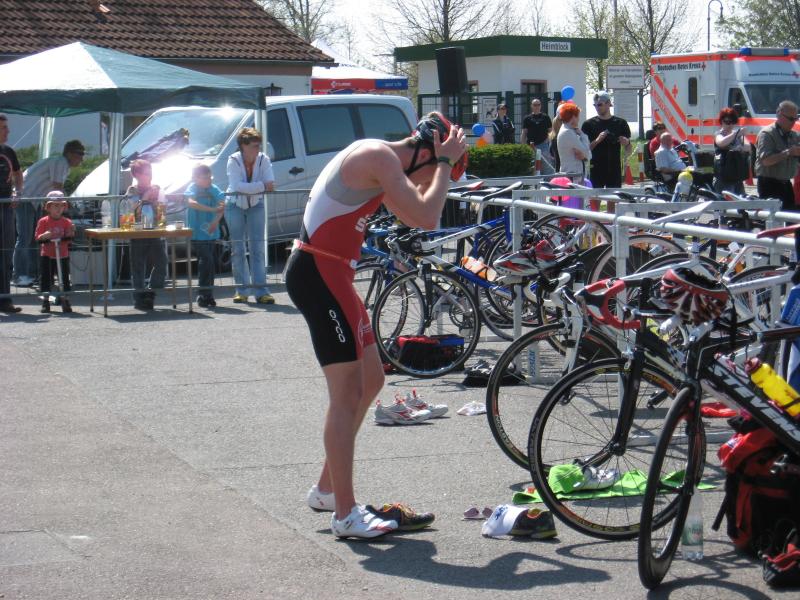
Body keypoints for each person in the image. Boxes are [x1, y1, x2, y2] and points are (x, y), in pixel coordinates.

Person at [284, 112, 467, 539]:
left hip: (333, 274)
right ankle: (345, 514)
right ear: (426, 154)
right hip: (319, 273)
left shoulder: (385, 167)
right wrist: (446, 163)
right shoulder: (377, 157)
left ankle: (328, 489)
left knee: (371, 380)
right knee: (346, 393)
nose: (430, 182)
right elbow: (427, 217)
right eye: (432, 172)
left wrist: (440, 165)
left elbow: (415, 213)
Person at [13, 139, 84, 287]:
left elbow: (56, 191)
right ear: (69, 153)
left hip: (34, 200)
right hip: (27, 198)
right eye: (80, 154)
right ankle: (19, 275)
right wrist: (69, 205)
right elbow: (57, 187)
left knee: (34, 238)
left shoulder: (62, 164)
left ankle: (32, 274)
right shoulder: (61, 162)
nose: (82, 158)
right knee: (25, 237)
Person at [225, 127, 275, 304]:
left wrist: (255, 187)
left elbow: (271, 184)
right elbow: (237, 186)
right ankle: (242, 290)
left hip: (256, 205)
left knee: (257, 248)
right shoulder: (233, 160)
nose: (258, 148)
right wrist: (261, 186)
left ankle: (262, 292)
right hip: (234, 205)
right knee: (237, 249)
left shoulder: (264, 159)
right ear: (243, 146)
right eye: (254, 145)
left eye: (258, 145)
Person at [126, 159, 168, 310]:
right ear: (136, 175)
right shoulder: (132, 190)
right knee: (138, 266)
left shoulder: (156, 188)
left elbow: (162, 208)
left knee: (162, 262)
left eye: (150, 173)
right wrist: (146, 196)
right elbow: (133, 209)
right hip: (138, 232)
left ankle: (150, 293)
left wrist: (157, 200)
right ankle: (139, 298)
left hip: (154, 230)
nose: (149, 176)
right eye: (146, 173)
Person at [185, 164, 225, 308]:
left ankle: (208, 294)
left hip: (210, 232)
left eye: (209, 177)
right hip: (196, 233)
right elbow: (191, 202)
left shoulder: (214, 188)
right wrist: (211, 209)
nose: (209, 180)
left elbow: (222, 205)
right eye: (205, 178)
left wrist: (215, 221)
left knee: (210, 263)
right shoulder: (192, 188)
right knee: (206, 260)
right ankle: (203, 293)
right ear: (195, 178)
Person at [582, 91, 632, 192]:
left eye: (600, 104)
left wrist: (627, 143)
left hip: (614, 168)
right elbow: (584, 149)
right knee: (595, 197)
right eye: (595, 105)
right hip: (596, 168)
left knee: (613, 198)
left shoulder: (620, 123)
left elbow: (629, 150)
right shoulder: (588, 124)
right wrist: (597, 140)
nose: (597, 107)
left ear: (609, 103)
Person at [755, 100, 800, 211]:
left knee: (790, 217)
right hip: (769, 184)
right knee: (772, 218)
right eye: (791, 119)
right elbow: (766, 160)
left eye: (796, 119)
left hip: (786, 184)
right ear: (779, 114)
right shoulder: (767, 134)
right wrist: (788, 152)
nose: (793, 122)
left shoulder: (793, 136)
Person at [34, 191, 75, 314]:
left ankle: (65, 300)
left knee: (64, 278)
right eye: (55, 205)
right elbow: (37, 238)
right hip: (47, 254)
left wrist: (71, 233)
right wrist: (44, 236)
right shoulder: (43, 221)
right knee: (46, 279)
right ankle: (45, 301)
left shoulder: (66, 222)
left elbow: (69, 237)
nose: (59, 208)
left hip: (62, 254)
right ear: (48, 207)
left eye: (61, 205)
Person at [0, 113, 23, 313]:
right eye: (3, 127)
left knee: (6, 253)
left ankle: (5, 300)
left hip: (6, 208)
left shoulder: (8, 151)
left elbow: (17, 173)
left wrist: (17, 192)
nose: (8, 131)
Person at [714, 107, 751, 196]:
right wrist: (736, 134)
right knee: (725, 200)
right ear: (722, 121)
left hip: (737, 174)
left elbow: (748, 147)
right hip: (724, 175)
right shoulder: (719, 134)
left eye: (733, 122)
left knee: (740, 199)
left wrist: (740, 148)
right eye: (727, 122)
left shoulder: (738, 135)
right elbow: (721, 143)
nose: (730, 125)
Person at [555, 103, 591, 181]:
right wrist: (582, 135)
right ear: (573, 117)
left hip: (573, 176)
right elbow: (586, 151)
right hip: (572, 177)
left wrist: (585, 156)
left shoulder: (568, 130)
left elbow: (586, 154)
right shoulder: (568, 132)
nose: (578, 119)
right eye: (578, 116)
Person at [520, 99, 554, 174]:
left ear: (540, 106)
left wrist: (547, 140)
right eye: (535, 105)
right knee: (532, 165)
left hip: (543, 145)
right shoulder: (527, 118)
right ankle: (534, 180)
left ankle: (547, 180)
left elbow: (551, 131)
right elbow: (524, 132)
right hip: (531, 146)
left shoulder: (545, 117)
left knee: (546, 165)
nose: (537, 107)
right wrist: (523, 145)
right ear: (531, 106)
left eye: (538, 105)